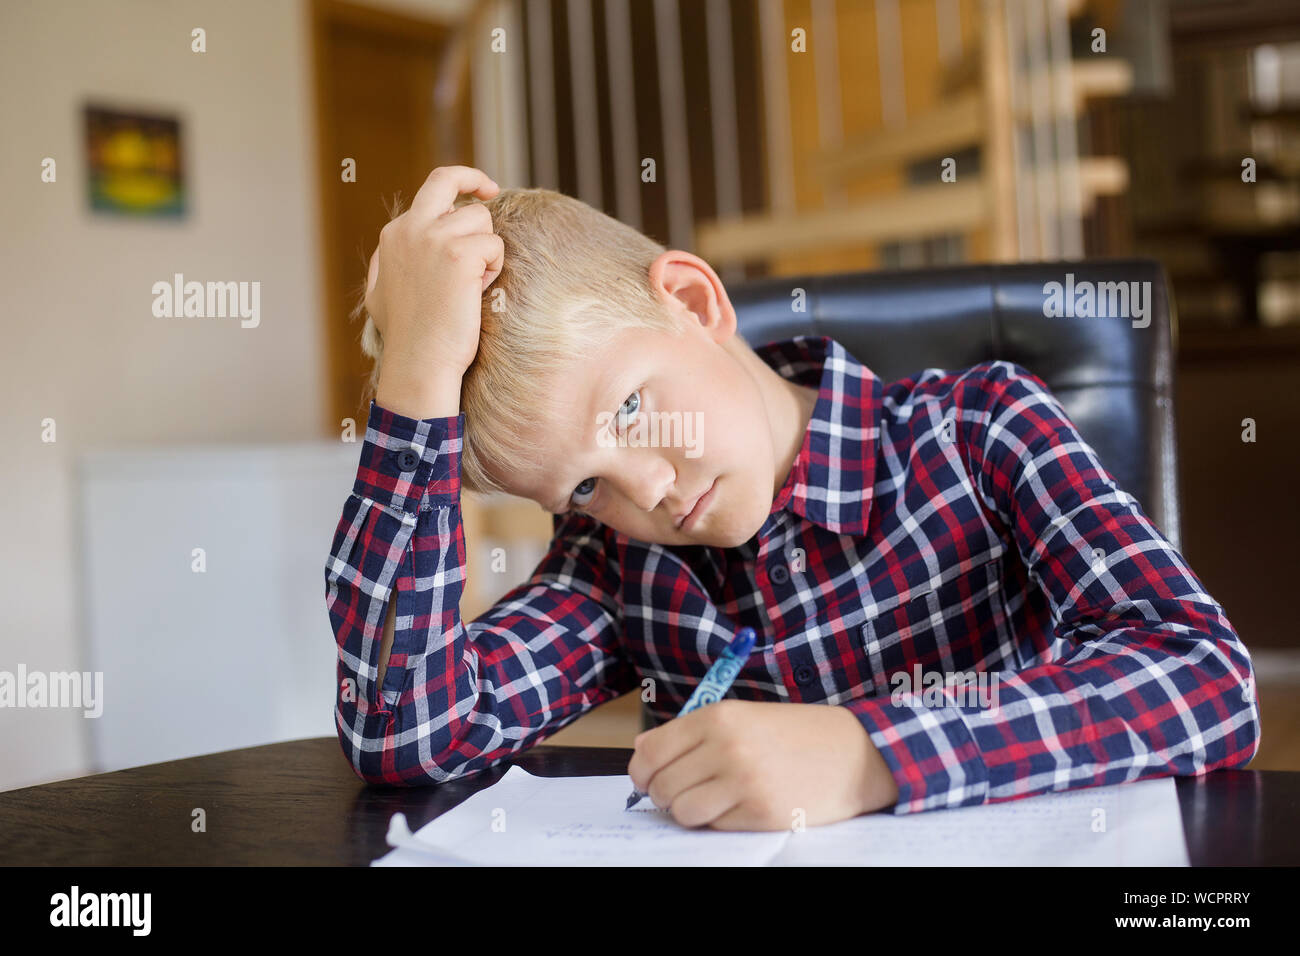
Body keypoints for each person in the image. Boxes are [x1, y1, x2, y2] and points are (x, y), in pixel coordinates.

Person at [324, 165, 1260, 831]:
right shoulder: (611, 559)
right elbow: (409, 734)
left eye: (633, 407)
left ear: (692, 302)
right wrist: (415, 383)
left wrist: (873, 753)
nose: (645, 487)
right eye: (582, 484)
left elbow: (1207, 681)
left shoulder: (983, 432)